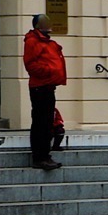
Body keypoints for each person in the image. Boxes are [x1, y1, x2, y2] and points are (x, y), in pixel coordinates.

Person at [23, 14, 67, 171]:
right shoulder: (33, 41)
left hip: (47, 86)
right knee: (41, 123)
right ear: (37, 26)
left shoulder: (47, 42)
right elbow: (31, 65)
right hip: (40, 86)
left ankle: (45, 155)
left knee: (47, 122)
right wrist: (49, 72)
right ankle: (40, 157)